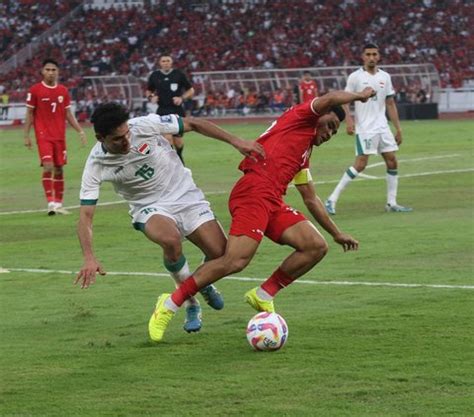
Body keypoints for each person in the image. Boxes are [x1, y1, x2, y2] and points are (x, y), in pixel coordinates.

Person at [146, 86, 377, 342]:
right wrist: (359, 96)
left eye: (335, 130)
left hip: (272, 201)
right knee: (234, 260)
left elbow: (310, 197)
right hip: (254, 191)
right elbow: (332, 97)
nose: (331, 133)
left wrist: (336, 233)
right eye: (331, 124)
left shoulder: (303, 151)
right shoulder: (301, 117)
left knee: (314, 246)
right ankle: (169, 303)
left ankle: (263, 295)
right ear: (320, 113)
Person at [74, 103, 264, 333]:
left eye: (127, 134)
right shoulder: (96, 164)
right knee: (170, 240)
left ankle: (200, 282)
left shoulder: (144, 125)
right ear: (100, 137)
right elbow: (85, 216)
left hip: (185, 194)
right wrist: (89, 257)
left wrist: (236, 141)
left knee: (222, 254)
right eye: (117, 139)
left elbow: (193, 123)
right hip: (149, 206)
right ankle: (190, 303)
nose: (126, 141)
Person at [325, 43, 413, 214]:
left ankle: (391, 203)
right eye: (368, 54)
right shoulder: (355, 77)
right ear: (363, 56)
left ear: (378, 56)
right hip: (365, 128)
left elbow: (390, 102)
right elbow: (344, 100)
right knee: (360, 164)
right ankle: (331, 199)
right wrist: (349, 121)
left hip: (382, 127)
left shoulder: (385, 77)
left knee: (392, 161)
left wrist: (398, 128)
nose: (371, 57)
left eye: (374, 54)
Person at [24, 58, 87, 215]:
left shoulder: (63, 91)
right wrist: (26, 135)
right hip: (43, 135)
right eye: (47, 70)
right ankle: (50, 203)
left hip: (59, 135)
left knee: (59, 169)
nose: (50, 72)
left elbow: (68, 114)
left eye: (53, 70)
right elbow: (30, 113)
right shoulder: (35, 90)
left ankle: (58, 204)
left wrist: (80, 130)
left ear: (58, 72)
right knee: (48, 166)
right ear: (42, 72)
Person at [146, 55, 194, 165]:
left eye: (168, 61)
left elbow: (191, 90)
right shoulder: (155, 75)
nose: (166, 63)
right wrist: (151, 97)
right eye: (163, 61)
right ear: (160, 63)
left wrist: (182, 98)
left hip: (177, 110)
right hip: (162, 110)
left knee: (178, 141)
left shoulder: (179, 74)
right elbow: (149, 91)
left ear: (171, 62)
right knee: (167, 138)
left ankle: (179, 155)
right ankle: (172, 161)